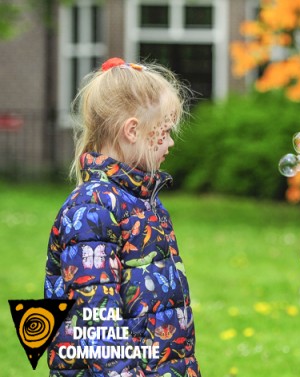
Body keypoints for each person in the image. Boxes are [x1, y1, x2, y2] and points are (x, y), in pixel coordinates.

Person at [44, 58, 199, 377]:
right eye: (165, 131)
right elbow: (97, 321)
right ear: (132, 130)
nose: (170, 143)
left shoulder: (144, 201)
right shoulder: (92, 207)